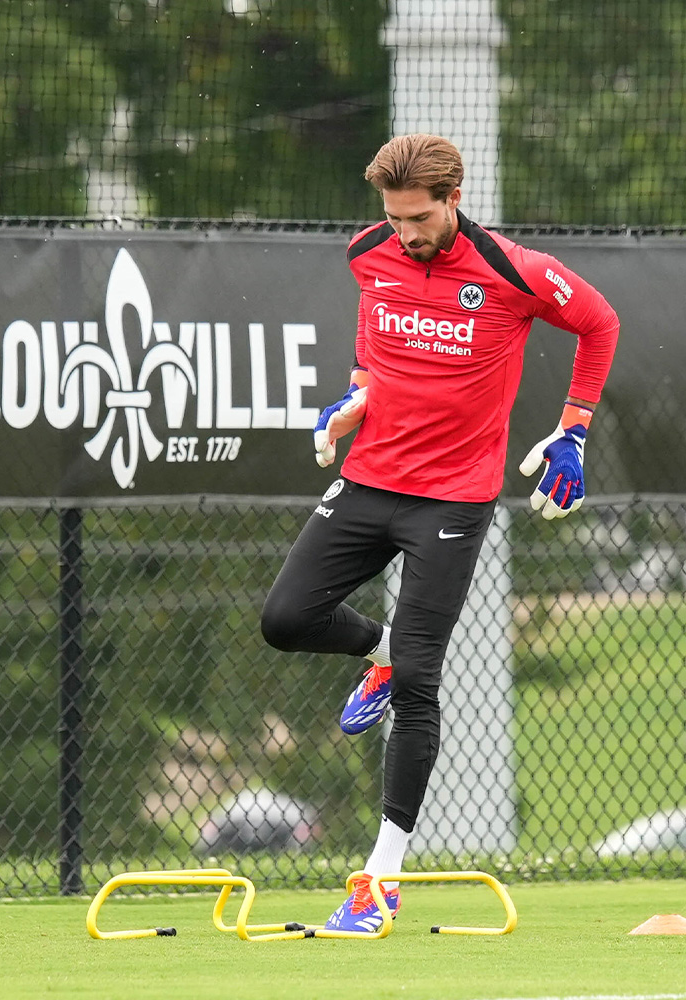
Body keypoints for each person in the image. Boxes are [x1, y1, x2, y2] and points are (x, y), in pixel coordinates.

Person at [260, 133, 619, 933]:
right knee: (285, 619)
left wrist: (574, 429)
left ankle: (380, 879)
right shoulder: (369, 253)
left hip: (452, 503)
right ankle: (380, 653)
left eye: (418, 218)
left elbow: (600, 324)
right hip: (368, 480)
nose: (406, 232)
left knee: (421, 683)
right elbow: (374, 338)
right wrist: (355, 396)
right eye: (394, 217)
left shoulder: (514, 271)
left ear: (453, 200)